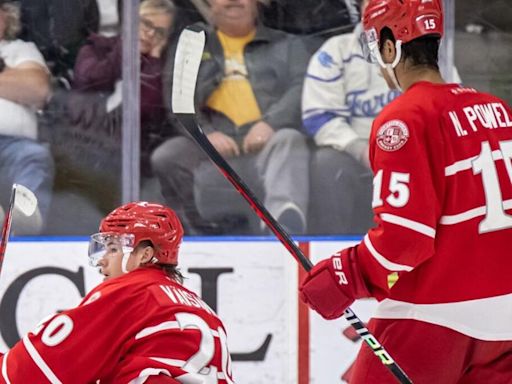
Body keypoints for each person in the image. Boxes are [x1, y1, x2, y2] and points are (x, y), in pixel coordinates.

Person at [299, 0, 512, 383]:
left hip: (439, 311)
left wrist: (344, 275)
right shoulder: (497, 109)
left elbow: (404, 240)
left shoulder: (405, 118)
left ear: (388, 46)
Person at [0, 201, 235, 383]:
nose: (103, 261)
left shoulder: (130, 294)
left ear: (145, 254)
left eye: (113, 249)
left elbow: (30, 373)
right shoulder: (204, 310)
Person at [152, 0, 311, 235]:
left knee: (290, 139)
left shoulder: (288, 44)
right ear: (210, 4)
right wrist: (205, 133)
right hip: (211, 141)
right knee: (167, 156)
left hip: (269, 139)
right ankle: (195, 234)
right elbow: (177, 97)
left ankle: (281, 226)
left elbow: (302, 87)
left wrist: (271, 123)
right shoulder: (191, 45)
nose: (234, 0)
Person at [302, 0, 400, 234]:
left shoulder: (425, 52)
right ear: (360, 8)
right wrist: (361, 150)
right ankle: (333, 251)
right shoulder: (335, 50)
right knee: (327, 163)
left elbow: (446, 109)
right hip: (353, 154)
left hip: (409, 154)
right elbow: (318, 116)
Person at [0, 0, 54, 234]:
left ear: (7, 18)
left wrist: (23, 82)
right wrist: (11, 80)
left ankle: (22, 226)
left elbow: (37, 89)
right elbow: (22, 83)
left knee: (34, 155)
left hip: (15, 145)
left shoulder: (21, 49)